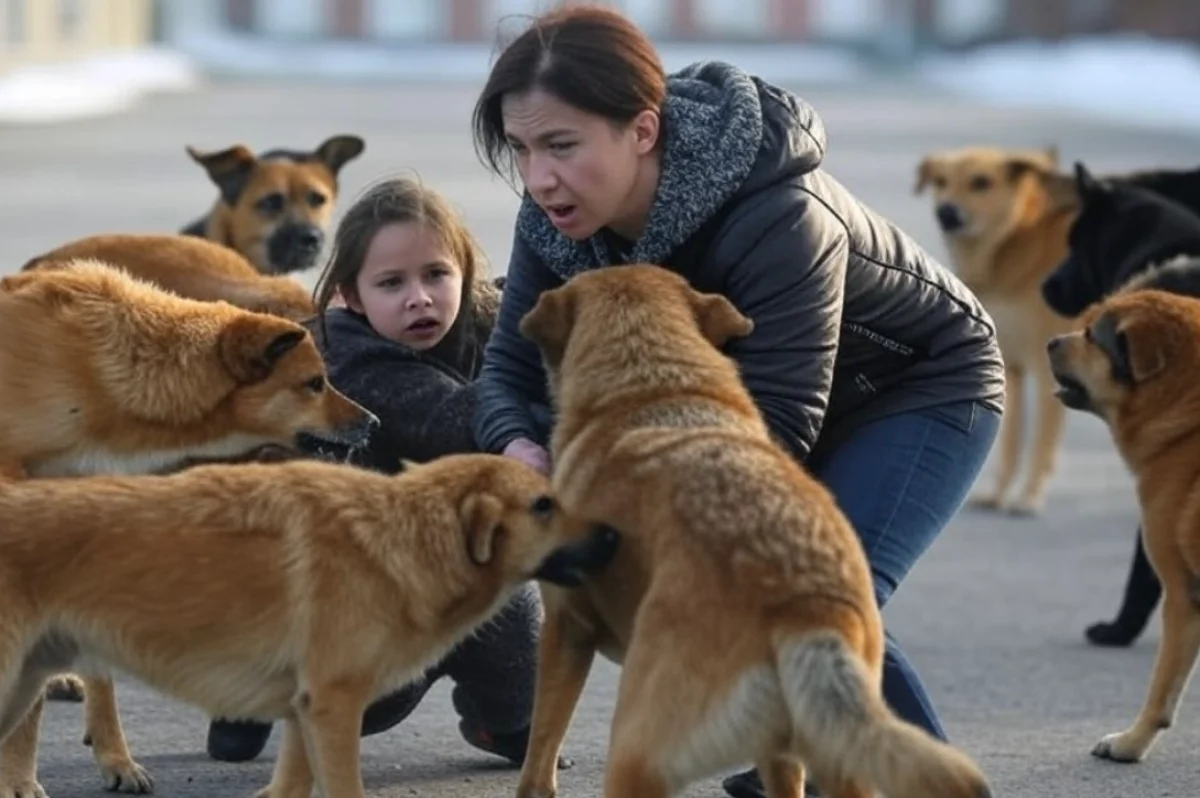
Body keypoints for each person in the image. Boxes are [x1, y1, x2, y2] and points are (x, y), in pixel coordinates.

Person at [468, 5, 1005, 797]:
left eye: (561, 145)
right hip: (733, 413)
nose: (539, 175)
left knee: (814, 587)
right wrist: (522, 450)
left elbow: (779, 423)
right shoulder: (553, 220)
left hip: (914, 388)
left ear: (643, 131)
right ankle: (787, 760)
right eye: (520, 149)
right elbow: (507, 373)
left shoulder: (781, 214)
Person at [204, 175, 560, 772]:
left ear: (464, 272)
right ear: (352, 295)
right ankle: (248, 696)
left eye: (435, 275)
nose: (419, 297)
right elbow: (455, 420)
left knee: (520, 693)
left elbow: (544, 327)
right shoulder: (348, 360)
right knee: (361, 705)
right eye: (392, 283)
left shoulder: (490, 322)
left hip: (463, 558)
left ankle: (496, 724)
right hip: (357, 585)